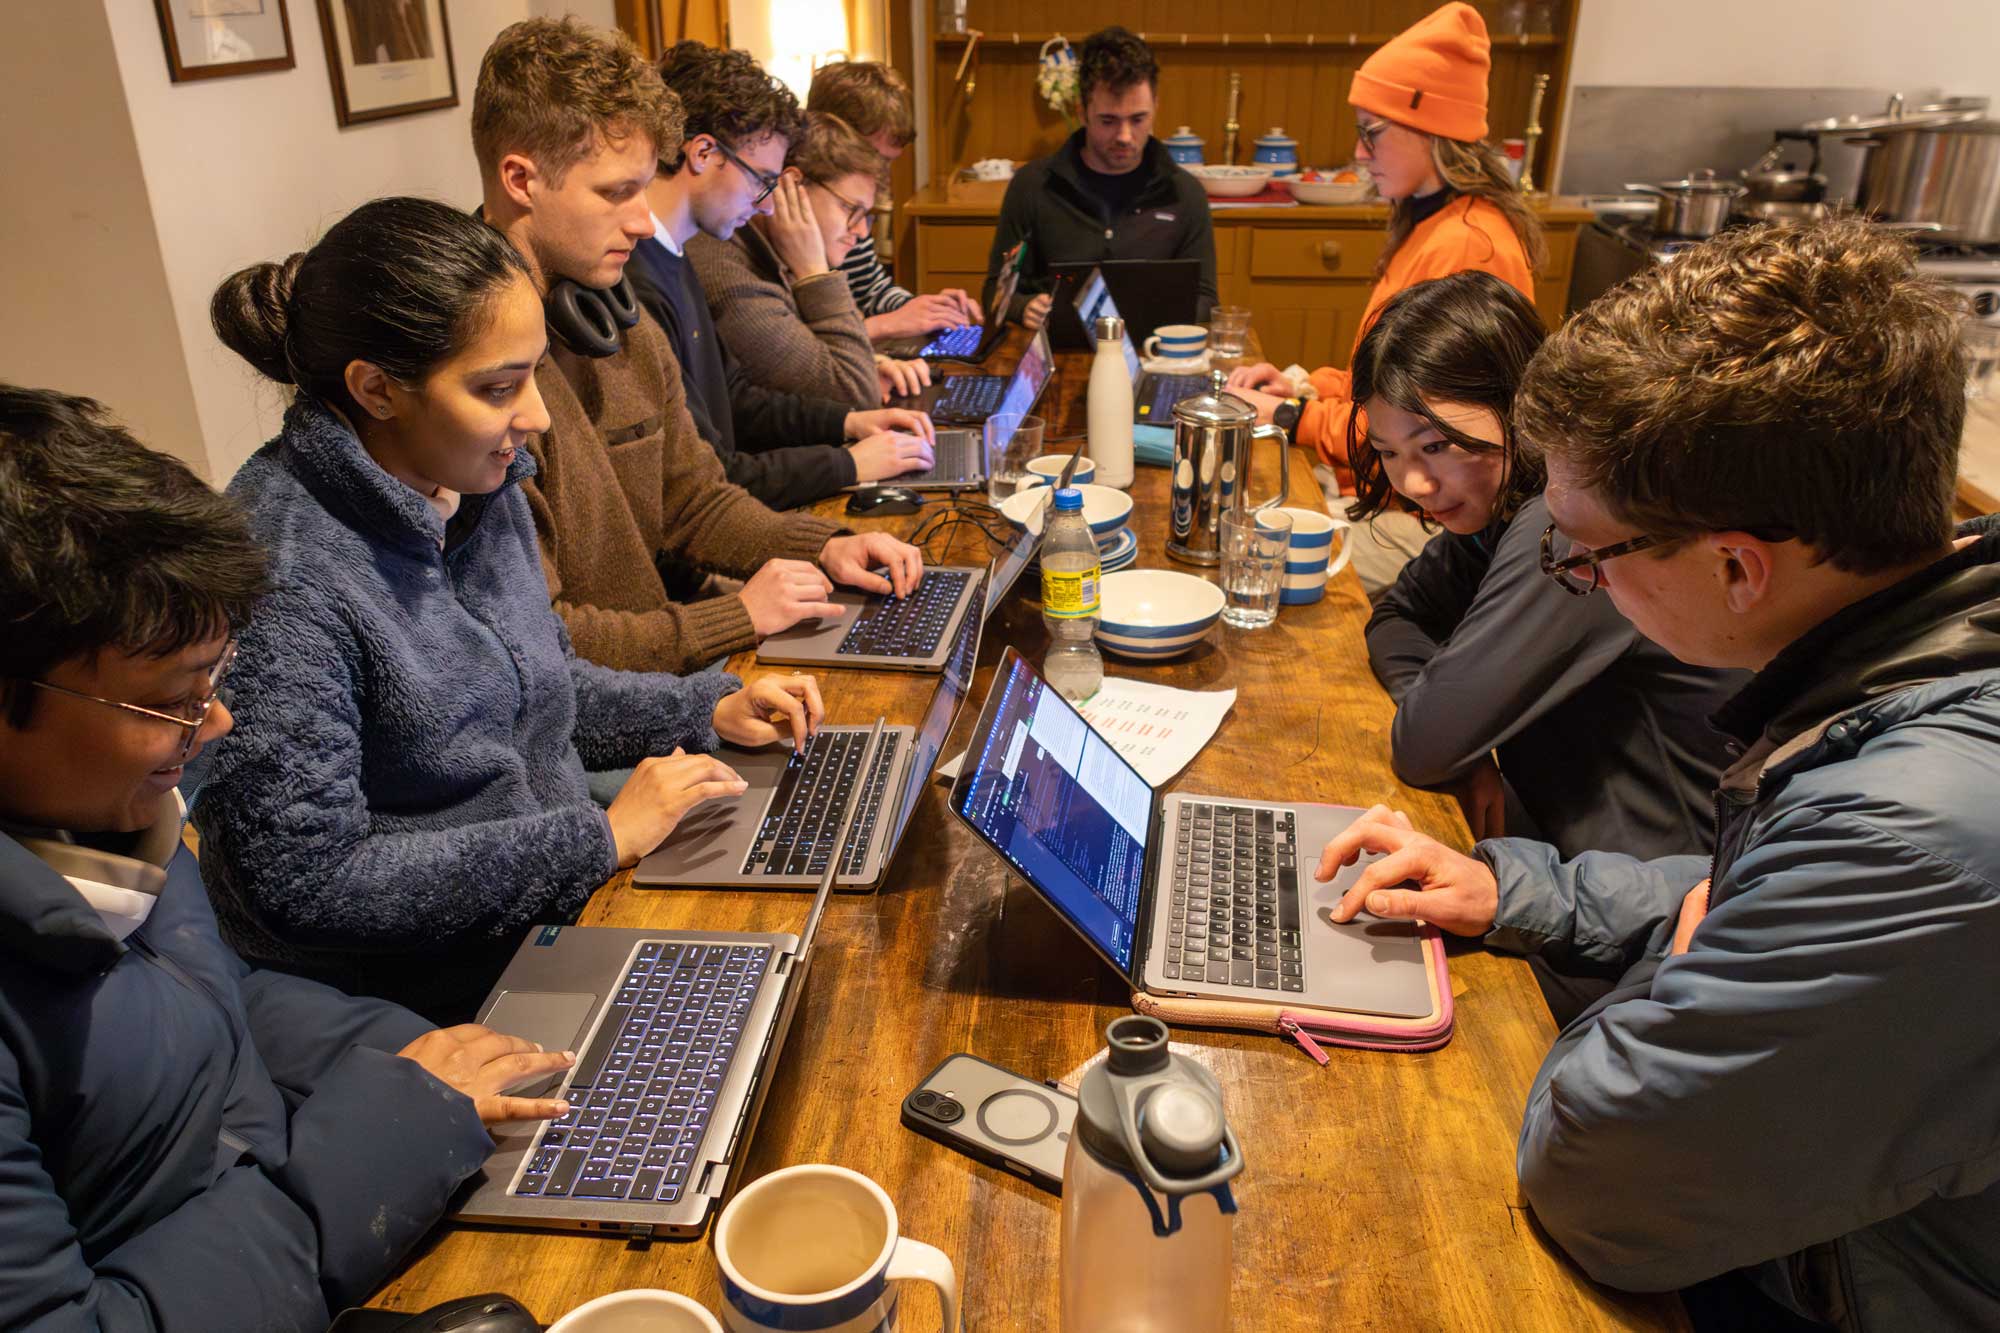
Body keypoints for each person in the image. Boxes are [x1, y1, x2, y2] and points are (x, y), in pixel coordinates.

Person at [1314, 220, 2000, 1330]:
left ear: (1735, 566)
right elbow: (1748, 887)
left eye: (1581, 556)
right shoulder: (1904, 679)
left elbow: (1597, 1178)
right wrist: (1518, 888)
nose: (1570, 576)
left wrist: (1672, 967)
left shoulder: (1913, 830)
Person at [0, 384, 575, 1329]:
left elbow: (216, 1001)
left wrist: (411, 1061)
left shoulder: (99, 816)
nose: (216, 722)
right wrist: (388, 1134)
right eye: (179, 697)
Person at [197, 197, 826, 1022]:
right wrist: (597, 840)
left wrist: (709, 705)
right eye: (499, 387)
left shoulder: (469, 477)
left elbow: (536, 683)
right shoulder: (287, 578)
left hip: (552, 912)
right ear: (377, 389)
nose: (534, 415)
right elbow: (310, 880)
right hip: (427, 1003)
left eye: (533, 373)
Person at [473, 17, 923, 674]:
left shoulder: (612, 312)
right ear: (521, 179)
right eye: (616, 192)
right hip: (609, 709)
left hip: (666, 670)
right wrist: (735, 617)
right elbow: (544, 644)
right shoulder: (470, 374)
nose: (639, 217)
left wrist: (827, 544)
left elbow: (695, 497)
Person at [1350, 272, 1744, 864]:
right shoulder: (1495, 508)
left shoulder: (1570, 527)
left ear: (1517, 407)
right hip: (1560, 846)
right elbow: (1399, 615)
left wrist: (1449, 720)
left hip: (1655, 894)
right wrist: (1445, 711)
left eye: (1436, 446)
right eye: (1387, 453)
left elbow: (1424, 747)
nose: (1412, 483)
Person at [1227, 1, 1545, 594]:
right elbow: (1385, 381)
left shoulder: (1470, 245)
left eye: (1372, 133)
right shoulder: (1433, 221)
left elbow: (1420, 437)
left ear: (1434, 130)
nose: (1359, 154)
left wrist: (1295, 418)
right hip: (1392, 496)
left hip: (1424, 520)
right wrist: (1306, 388)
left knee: (1246, 562)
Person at [632, 41, 936, 508]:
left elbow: (737, 399)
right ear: (703, 154)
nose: (769, 203)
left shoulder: (677, 255)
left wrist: (847, 425)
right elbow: (709, 477)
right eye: (762, 180)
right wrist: (849, 463)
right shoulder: (652, 275)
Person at [689, 110, 930, 407]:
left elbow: (822, 364)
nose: (860, 232)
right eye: (849, 209)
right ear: (790, 187)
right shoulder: (727, 270)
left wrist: (874, 364)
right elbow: (853, 393)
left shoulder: (770, 256)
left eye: (865, 217)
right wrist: (815, 273)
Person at [983, 26, 1216, 331]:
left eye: (1138, 119)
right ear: (1082, 112)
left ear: (1156, 107)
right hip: (1057, 361)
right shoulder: (1033, 186)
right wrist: (1022, 307)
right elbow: (994, 293)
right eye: (1108, 121)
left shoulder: (1184, 193)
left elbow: (1207, 301)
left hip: (1151, 354)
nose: (1124, 136)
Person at [806, 60, 983, 343]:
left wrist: (924, 309)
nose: (882, 176)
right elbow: (801, 349)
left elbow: (871, 289)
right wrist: (887, 325)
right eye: (876, 158)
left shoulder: (853, 213)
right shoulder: (794, 221)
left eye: (888, 162)